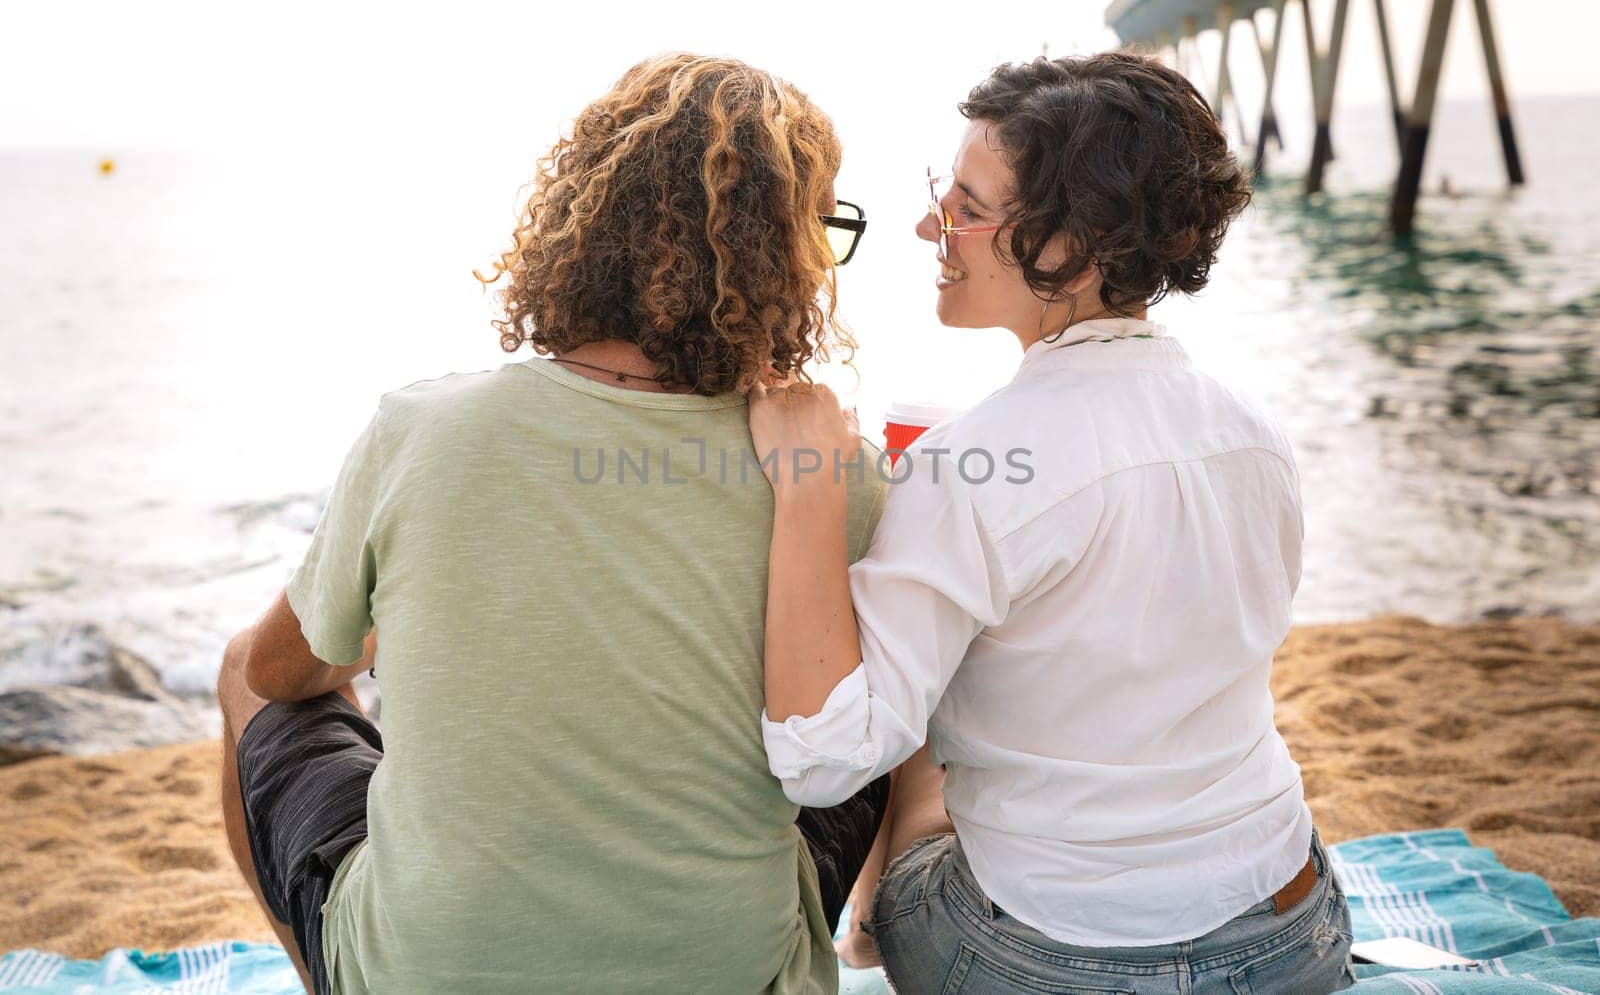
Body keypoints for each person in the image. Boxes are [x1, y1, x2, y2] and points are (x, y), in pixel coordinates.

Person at [215, 52, 891, 995]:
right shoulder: (837, 472)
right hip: (729, 972)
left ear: (589, 216)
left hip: (432, 972)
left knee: (237, 665)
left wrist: (394, 621)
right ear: (787, 258)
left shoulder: (424, 429)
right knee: (877, 707)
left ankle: (333, 974)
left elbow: (278, 673)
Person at [747, 53, 1357, 993]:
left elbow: (824, 758)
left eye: (964, 204)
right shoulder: (1255, 434)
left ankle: (871, 918)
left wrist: (807, 488)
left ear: (1070, 246)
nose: (927, 225)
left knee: (907, 732)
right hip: (1291, 929)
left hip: (1052, 963)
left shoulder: (969, 466)